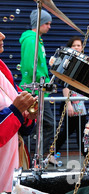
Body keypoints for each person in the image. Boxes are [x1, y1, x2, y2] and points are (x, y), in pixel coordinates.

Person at [0, 32, 38, 192]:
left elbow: (21, 126)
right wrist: (16, 110)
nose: (2, 36)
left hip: (11, 176)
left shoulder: (2, 69)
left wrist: (29, 114)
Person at [19, 9, 54, 158]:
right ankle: (32, 155)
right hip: (34, 89)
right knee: (42, 124)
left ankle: (37, 155)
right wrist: (44, 81)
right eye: (47, 23)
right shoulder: (31, 39)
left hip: (39, 89)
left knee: (43, 124)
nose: (49, 26)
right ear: (38, 23)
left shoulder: (37, 40)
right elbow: (29, 66)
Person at [53, 36, 87, 158]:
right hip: (71, 104)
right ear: (70, 47)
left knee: (76, 133)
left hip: (79, 104)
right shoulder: (68, 63)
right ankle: (51, 156)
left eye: (79, 45)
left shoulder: (82, 63)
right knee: (71, 133)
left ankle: (52, 156)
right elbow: (65, 86)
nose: (77, 47)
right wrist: (69, 105)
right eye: (74, 45)